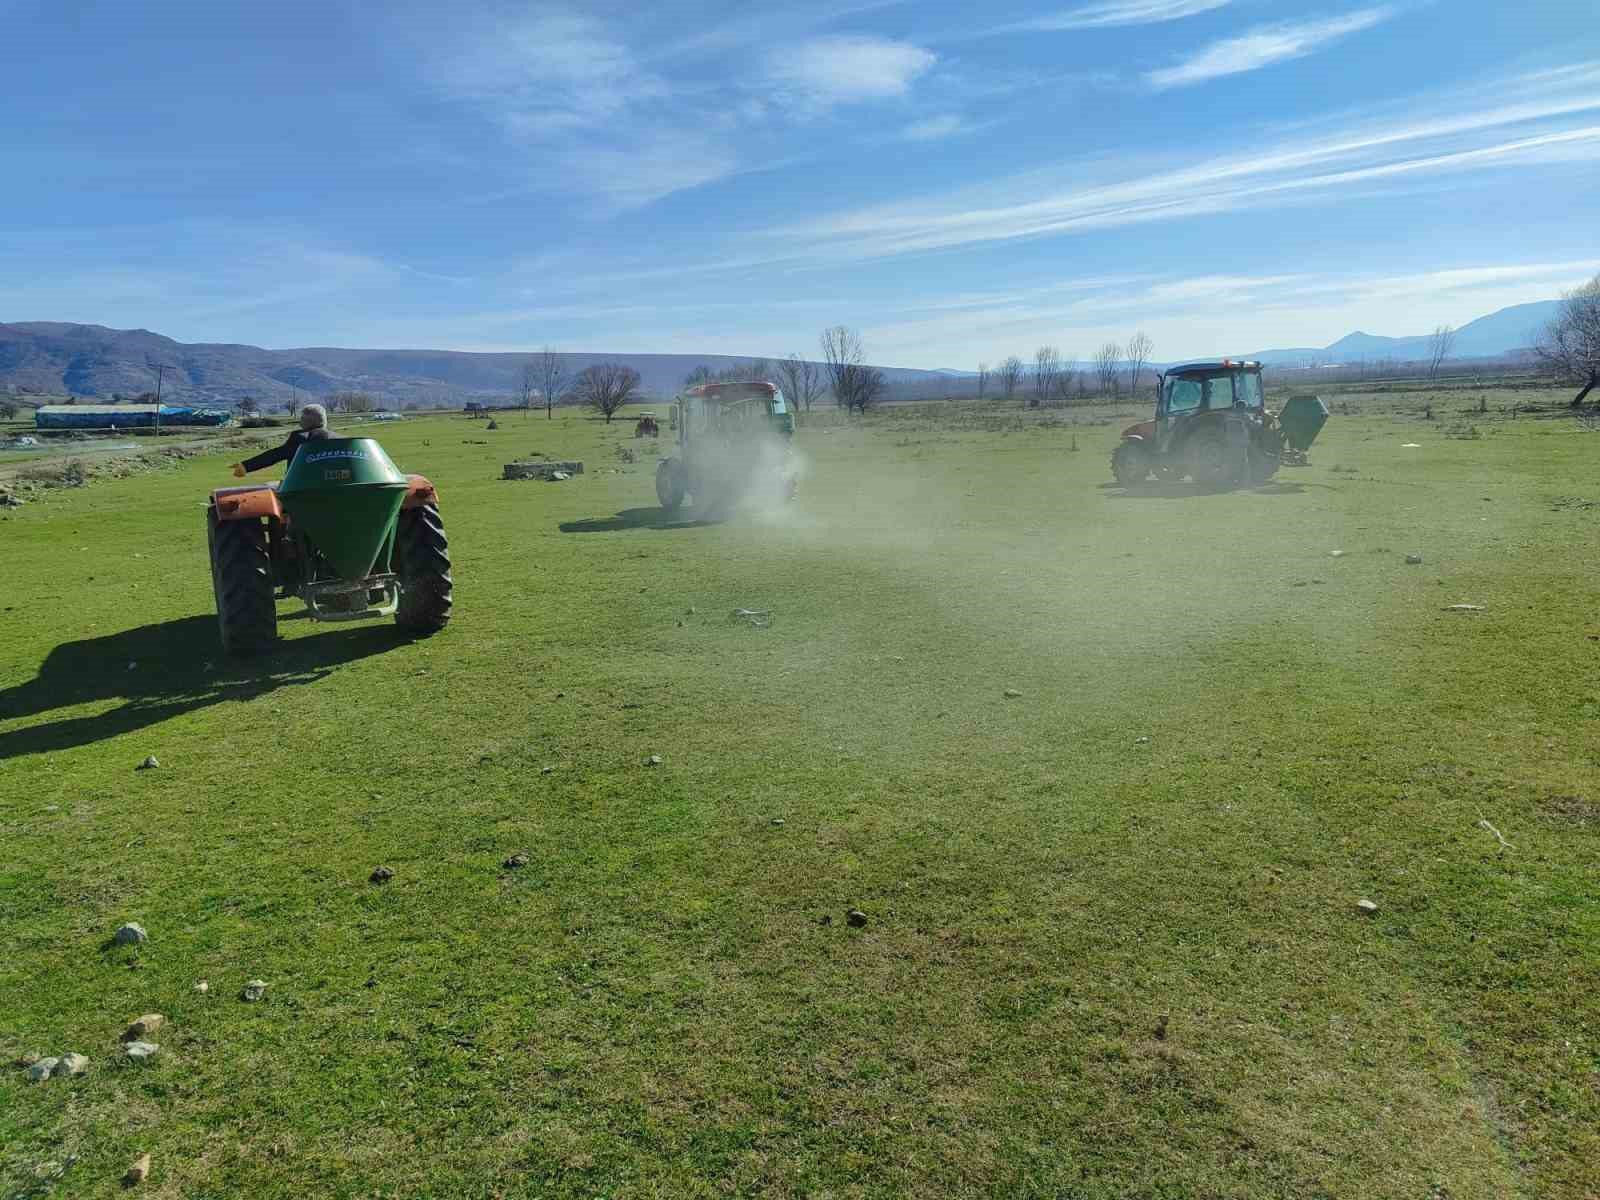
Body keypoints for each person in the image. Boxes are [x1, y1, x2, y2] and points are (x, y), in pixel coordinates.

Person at [232, 404, 331, 477]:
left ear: (306, 421)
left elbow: (276, 455)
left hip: (301, 488)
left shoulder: (300, 437)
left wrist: (245, 466)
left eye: (302, 418)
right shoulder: (341, 438)